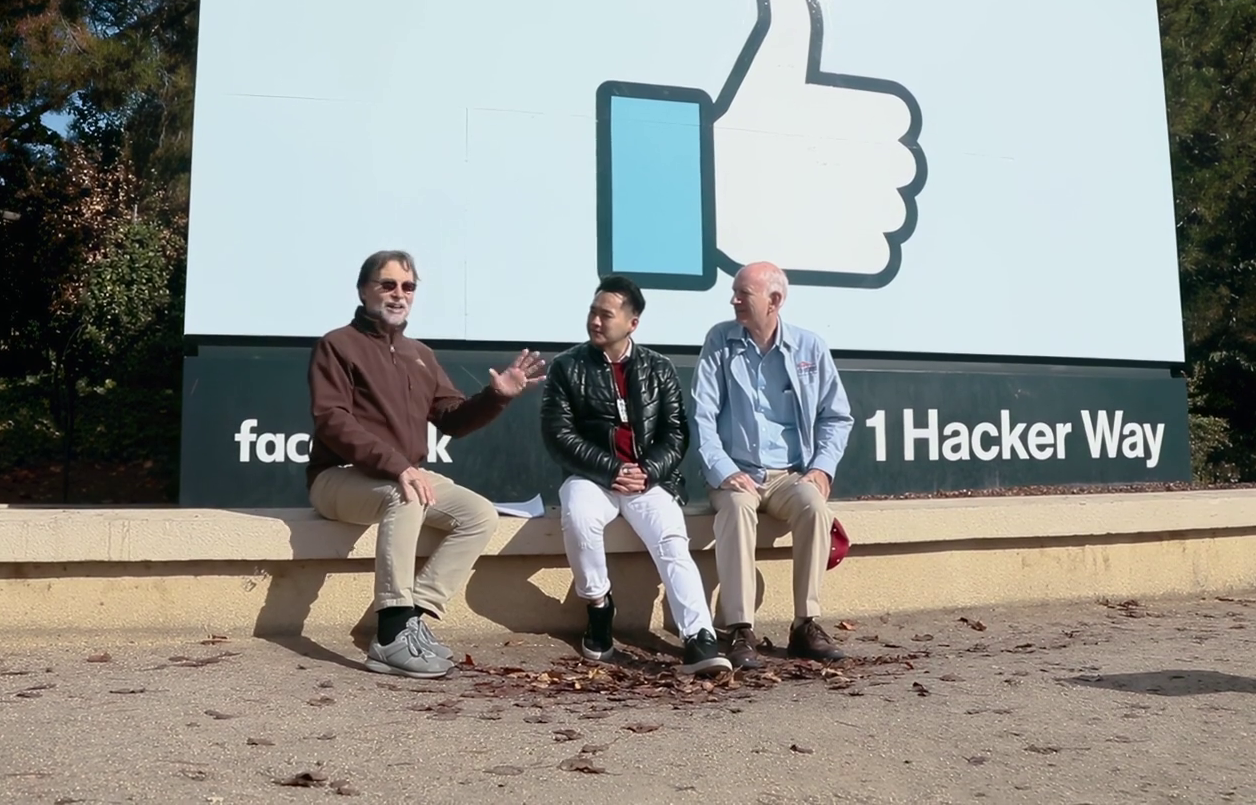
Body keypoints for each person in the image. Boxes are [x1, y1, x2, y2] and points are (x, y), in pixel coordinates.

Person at [307, 250, 547, 678]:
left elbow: (452, 419)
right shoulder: (337, 344)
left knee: (478, 514)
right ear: (363, 291)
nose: (399, 294)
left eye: (408, 287)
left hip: (401, 475)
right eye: (388, 284)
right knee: (407, 496)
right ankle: (390, 634)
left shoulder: (419, 354)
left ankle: (413, 618)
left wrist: (497, 396)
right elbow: (332, 420)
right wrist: (397, 466)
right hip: (338, 477)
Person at [541, 275, 732, 676]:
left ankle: (698, 636)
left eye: (605, 315)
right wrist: (611, 469)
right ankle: (598, 606)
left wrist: (647, 471)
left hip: (648, 481)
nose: (595, 321)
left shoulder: (658, 368)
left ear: (632, 323)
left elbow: (675, 434)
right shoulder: (567, 367)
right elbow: (558, 435)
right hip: (592, 477)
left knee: (671, 539)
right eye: (592, 312)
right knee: (578, 516)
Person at [693, 261, 853, 668]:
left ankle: (805, 625)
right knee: (736, 510)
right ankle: (739, 629)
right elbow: (701, 418)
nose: (734, 300)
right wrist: (724, 470)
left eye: (743, 294)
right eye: (734, 292)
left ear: (775, 300)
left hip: (789, 475)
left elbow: (837, 417)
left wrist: (822, 468)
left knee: (815, 508)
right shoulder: (720, 341)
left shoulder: (810, 347)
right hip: (735, 473)